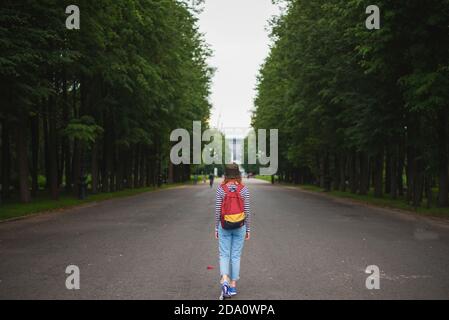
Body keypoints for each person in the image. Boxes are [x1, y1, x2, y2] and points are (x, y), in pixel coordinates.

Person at [215, 164, 251, 298]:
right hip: (240, 225)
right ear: (238, 174)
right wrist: (248, 228)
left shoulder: (221, 189)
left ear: (226, 174)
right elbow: (247, 211)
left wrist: (216, 227)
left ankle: (225, 279)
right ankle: (233, 286)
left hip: (224, 225)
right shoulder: (244, 190)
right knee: (235, 255)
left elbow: (218, 211)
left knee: (224, 254)